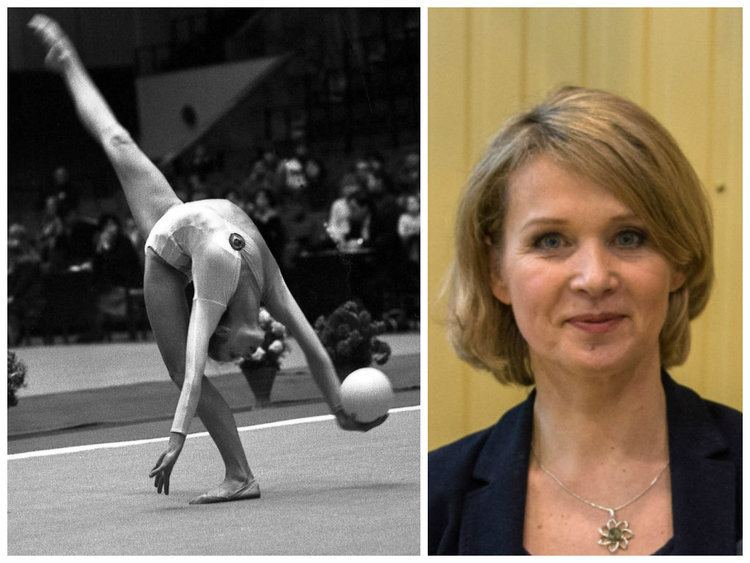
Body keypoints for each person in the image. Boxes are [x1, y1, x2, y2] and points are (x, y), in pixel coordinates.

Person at [29, 14, 386, 505]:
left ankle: (69, 62)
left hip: (184, 226)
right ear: (219, 323)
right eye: (240, 355)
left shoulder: (231, 285)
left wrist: (338, 409)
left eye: (236, 354)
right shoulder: (240, 283)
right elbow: (196, 369)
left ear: (223, 326)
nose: (245, 357)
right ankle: (239, 474)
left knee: (118, 141)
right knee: (180, 368)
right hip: (169, 244)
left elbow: (313, 347)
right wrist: (178, 437)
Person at [428, 86, 741, 554]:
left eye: (629, 237)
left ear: (679, 260)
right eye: (551, 241)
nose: (594, 279)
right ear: (496, 272)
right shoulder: (436, 503)